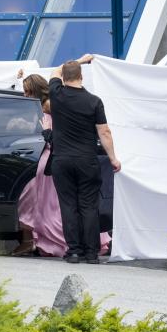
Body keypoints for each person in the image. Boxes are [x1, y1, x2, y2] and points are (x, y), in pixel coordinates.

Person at [12, 72, 111, 257]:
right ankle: (81, 248)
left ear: (36, 90)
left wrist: (47, 132)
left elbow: (58, 131)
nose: (25, 95)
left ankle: (67, 245)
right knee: (62, 205)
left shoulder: (49, 105)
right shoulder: (43, 104)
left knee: (58, 205)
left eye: (27, 91)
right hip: (61, 156)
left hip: (54, 156)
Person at [49, 54, 121, 264]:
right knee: (89, 206)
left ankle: (73, 251)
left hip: (61, 160)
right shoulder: (94, 101)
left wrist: (79, 60)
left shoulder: (56, 93)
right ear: (81, 77)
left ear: (64, 77)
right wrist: (113, 158)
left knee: (68, 205)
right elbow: (104, 132)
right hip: (87, 160)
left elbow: (56, 70)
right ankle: (91, 253)